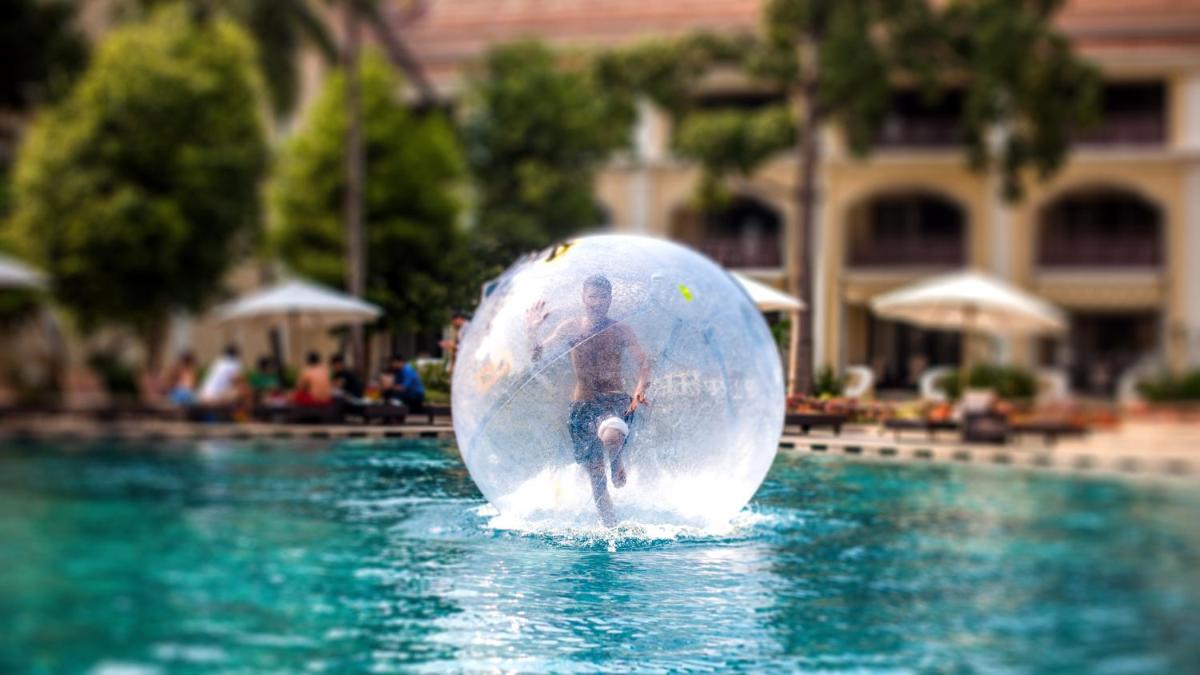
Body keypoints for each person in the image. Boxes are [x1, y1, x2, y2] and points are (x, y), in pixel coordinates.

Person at [526, 274, 650, 527]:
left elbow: (644, 361)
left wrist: (640, 389)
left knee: (612, 435)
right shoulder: (571, 327)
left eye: (603, 296)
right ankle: (611, 527)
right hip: (582, 406)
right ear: (583, 298)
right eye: (592, 296)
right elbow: (538, 356)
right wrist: (532, 331)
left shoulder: (621, 329)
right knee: (596, 476)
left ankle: (616, 462)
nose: (597, 302)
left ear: (610, 299)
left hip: (614, 401)